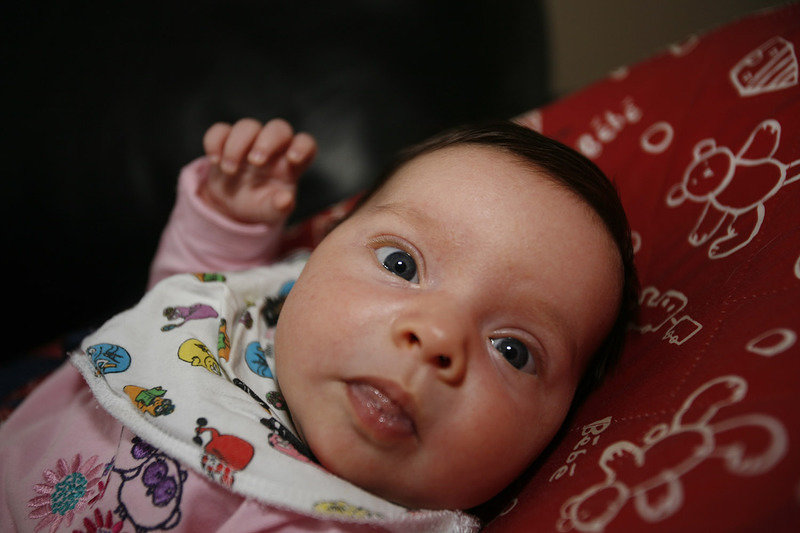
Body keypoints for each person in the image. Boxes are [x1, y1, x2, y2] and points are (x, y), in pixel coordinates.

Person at [0, 118, 637, 532]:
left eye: (513, 350)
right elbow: (184, 300)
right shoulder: (266, 310)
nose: (438, 338)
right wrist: (229, 223)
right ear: (321, 249)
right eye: (401, 264)